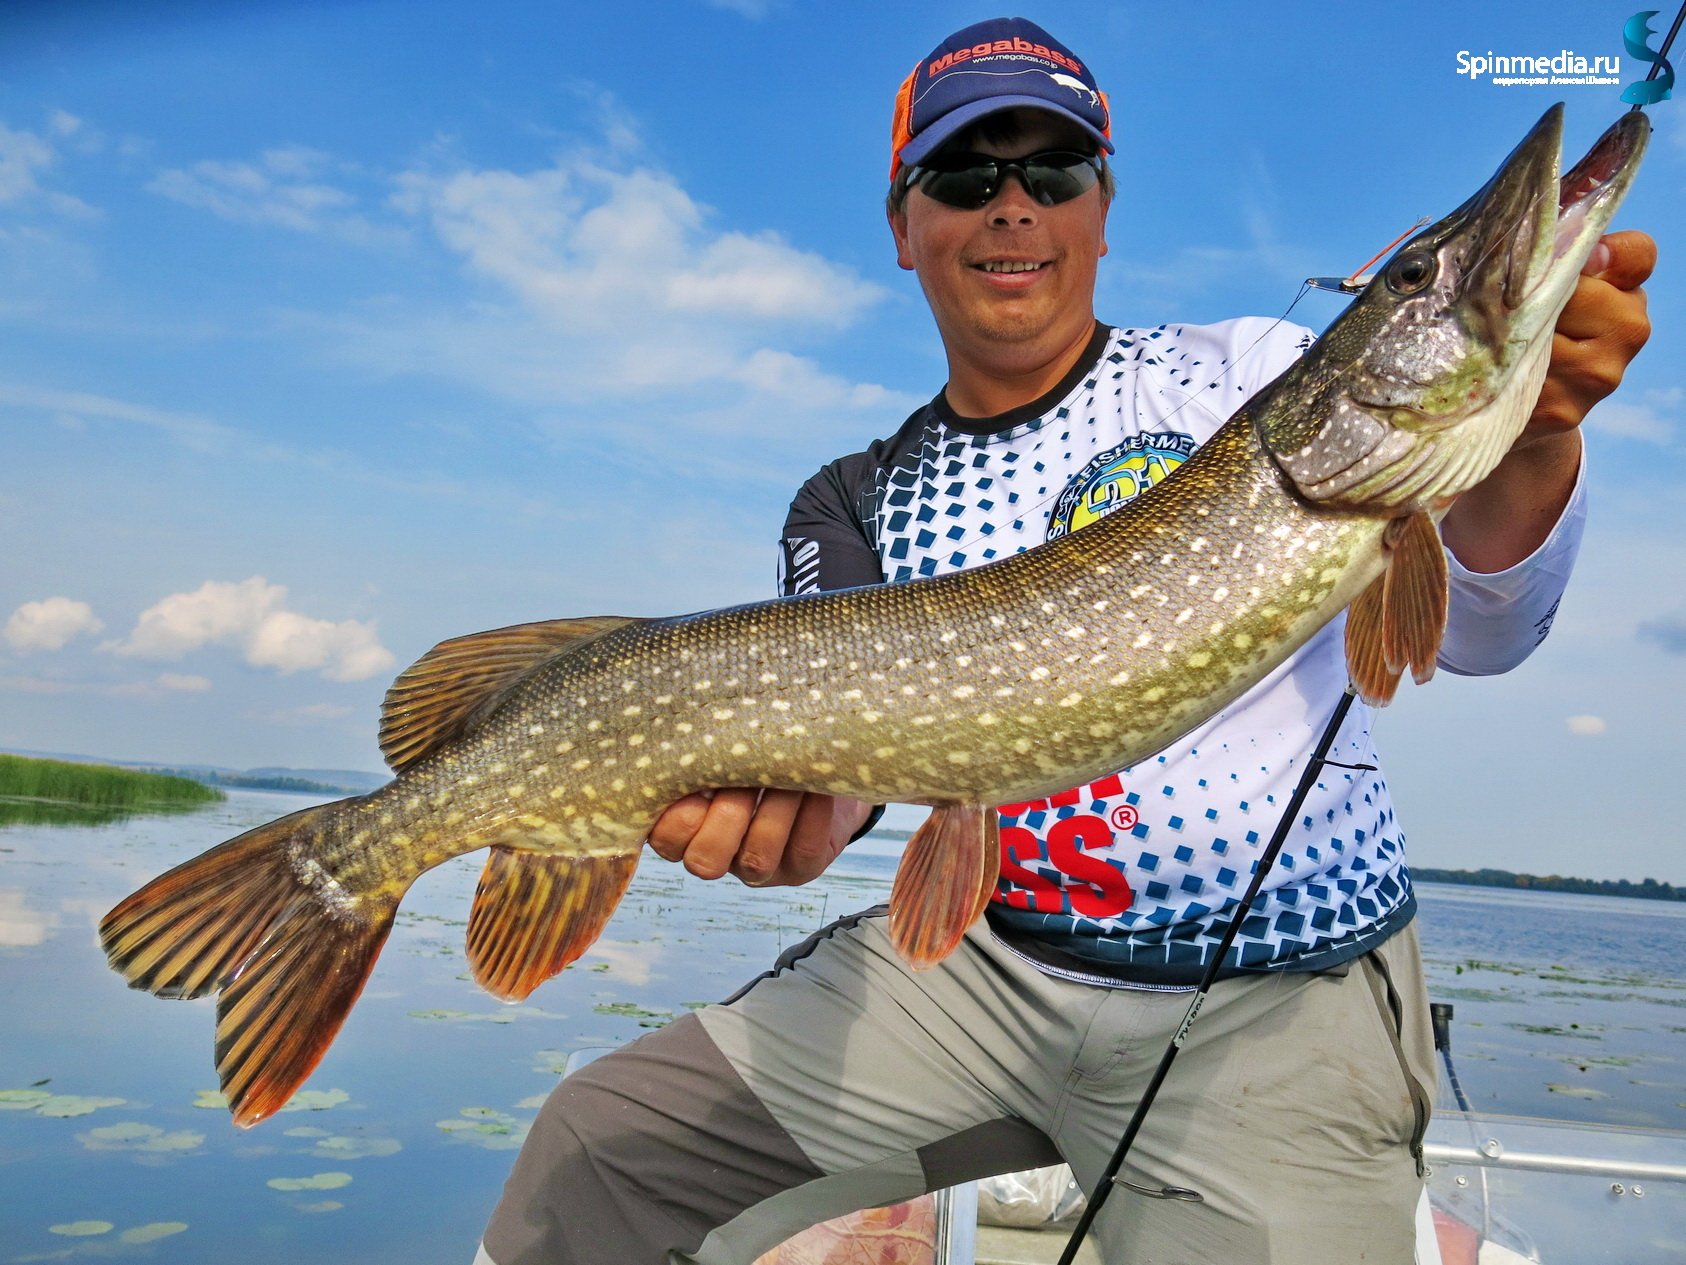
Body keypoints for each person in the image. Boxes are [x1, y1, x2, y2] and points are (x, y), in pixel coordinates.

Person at [477, 18, 1655, 1264]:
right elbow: (843, 796)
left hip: (1279, 1003)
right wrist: (792, 828)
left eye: (1053, 172)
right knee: (599, 1150)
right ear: (904, 226)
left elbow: (1484, 629)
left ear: (1103, 209)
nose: (1013, 207)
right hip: (979, 972)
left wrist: (1532, 434)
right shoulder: (854, 498)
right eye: (967, 177)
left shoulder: (1247, 372)